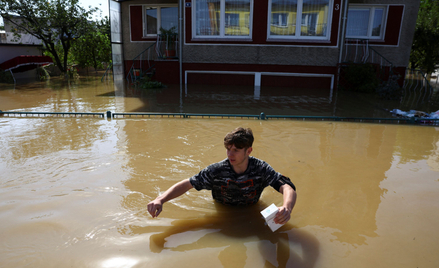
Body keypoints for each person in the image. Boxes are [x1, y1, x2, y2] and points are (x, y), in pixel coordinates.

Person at [147, 127, 297, 225]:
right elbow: (188, 184)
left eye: (236, 150)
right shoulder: (217, 170)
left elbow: (287, 186)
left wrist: (286, 208)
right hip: (223, 215)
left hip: (252, 212)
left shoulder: (261, 168)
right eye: (228, 149)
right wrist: (160, 199)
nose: (230, 154)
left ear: (249, 151)